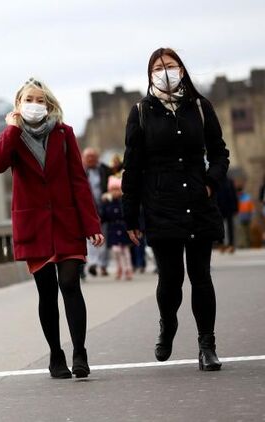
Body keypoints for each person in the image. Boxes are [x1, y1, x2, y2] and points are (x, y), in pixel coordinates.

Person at [0, 78, 104, 379]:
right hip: (34, 225)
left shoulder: (64, 133)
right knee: (47, 292)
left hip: (66, 222)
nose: (35, 105)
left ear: (49, 105)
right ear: (18, 104)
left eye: (41, 100)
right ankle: (56, 354)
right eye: (29, 99)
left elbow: (78, 180)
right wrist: (11, 129)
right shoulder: (12, 136)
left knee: (70, 283)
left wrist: (91, 223)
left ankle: (80, 352)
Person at [122, 48, 229, 371]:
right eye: (158, 67)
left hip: (197, 201)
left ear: (181, 70)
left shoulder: (200, 107)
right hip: (161, 204)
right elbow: (132, 167)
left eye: (170, 65)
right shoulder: (141, 112)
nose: (165, 71)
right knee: (171, 279)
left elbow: (220, 152)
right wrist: (131, 215)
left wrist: (210, 182)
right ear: (150, 74)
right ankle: (168, 323)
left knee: (201, 276)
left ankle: (207, 345)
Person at [82, 147, 110, 277]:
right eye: (88, 157)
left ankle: (103, 265)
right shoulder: (81, 171)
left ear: (97, 158)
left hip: (104, 209)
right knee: (90, 238)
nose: (90, 159)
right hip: (89, 209)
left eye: (93, 156)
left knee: (104, 237)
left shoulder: (104, 170)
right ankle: (93, 263)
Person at [101, 176, 132, 281]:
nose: (115, 192)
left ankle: (128, 269)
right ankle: (119, 268)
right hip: (113, 229)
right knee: (116, 250)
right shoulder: (107, 203)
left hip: (123, 228)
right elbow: (104, 216)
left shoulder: (123, 202)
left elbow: (127, 214)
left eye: (117, 189)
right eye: (112, 190)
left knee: (125, 251)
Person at [215, 177, 238, 253]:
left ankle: (231, 244)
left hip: (229, 208)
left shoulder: (229, 181)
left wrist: (235, 207)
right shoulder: (216, 181)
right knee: (220, 227)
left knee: (230, 227)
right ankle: (221, 244)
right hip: (219, 208)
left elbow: (234, 195)